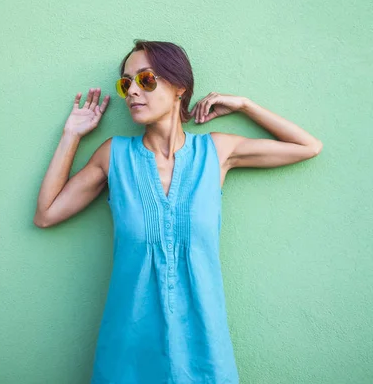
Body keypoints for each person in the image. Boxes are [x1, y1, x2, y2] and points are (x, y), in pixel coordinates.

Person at [33, 39, 323, 384]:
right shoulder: (114, 156)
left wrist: (244, 105)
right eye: (126, 83)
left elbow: (308, 146)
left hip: (203, 345)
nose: (132, 93)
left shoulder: (216, 151)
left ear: (179, 88)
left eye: (146, 79)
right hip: (128, 345)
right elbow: (46, 214)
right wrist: (72, 134)